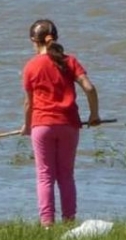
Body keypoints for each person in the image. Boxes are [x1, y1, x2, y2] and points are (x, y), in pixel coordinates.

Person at [21, 19, 100, 227]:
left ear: (33, 41)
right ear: (55, 37)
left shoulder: (30, 66)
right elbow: (89, 88)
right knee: (66, 175)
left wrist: (27, 126)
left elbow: (29, 103)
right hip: (69, 124)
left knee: (45, 175)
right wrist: (94, 115)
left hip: (42, 125)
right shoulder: (69, 61)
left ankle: (47, 224)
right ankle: (69, 222)